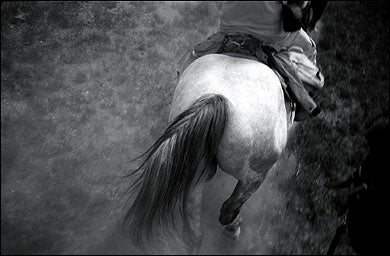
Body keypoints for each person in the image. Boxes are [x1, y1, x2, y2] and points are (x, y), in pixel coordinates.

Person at [177, 1, 327, 121]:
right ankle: (303, 101)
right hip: (269, 29)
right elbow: (301, 4)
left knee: (194, 57)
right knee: (309, 48)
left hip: (232, 20)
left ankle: (181, 83)